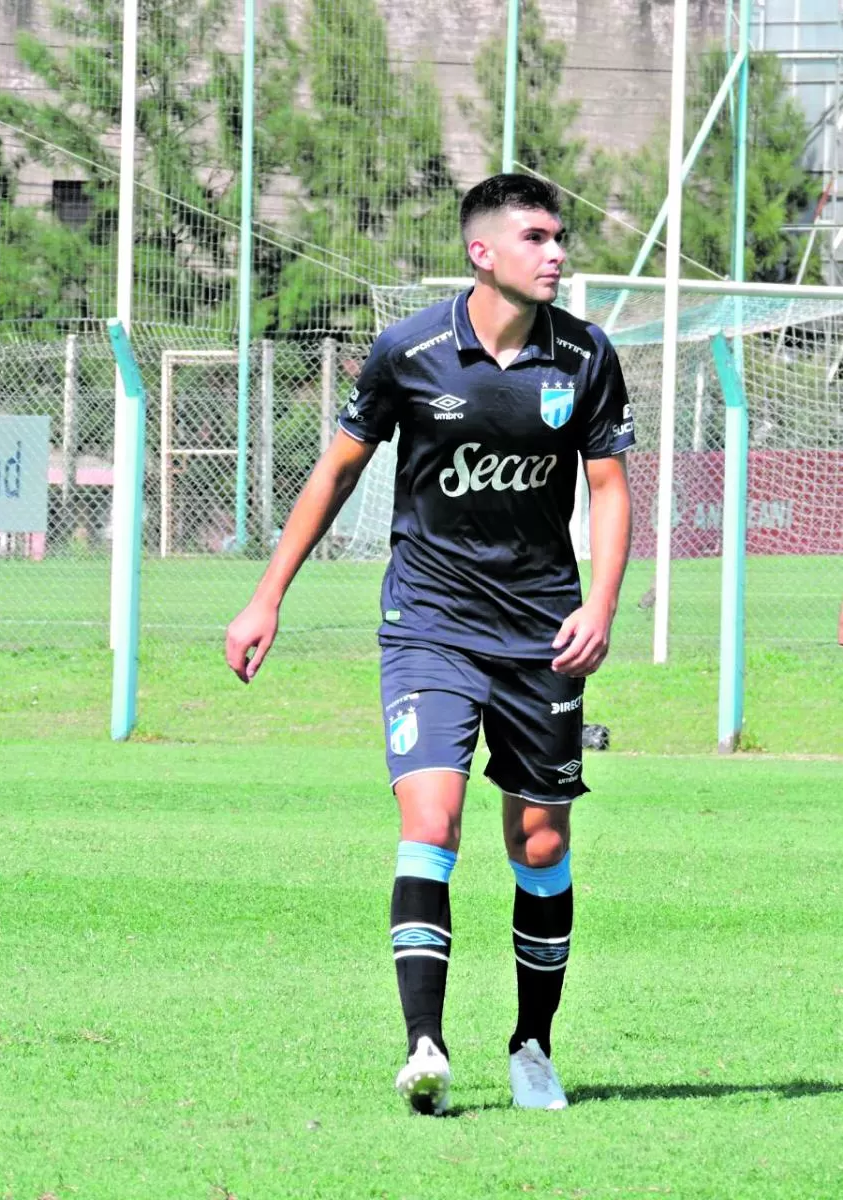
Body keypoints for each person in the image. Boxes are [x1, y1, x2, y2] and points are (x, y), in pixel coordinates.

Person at [225, 173, 634, 1115]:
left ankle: (532, 1046)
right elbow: (334, 473)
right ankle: (424, 1045)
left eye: (559, 235)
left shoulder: (583, 355)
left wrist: (602, 606)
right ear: (482, 252)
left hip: (542, 630)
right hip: (429, 624)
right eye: (536, 236)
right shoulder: (408, 351)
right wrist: (266, 597)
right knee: (430, 824)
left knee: (538, 841)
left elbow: (607, 489)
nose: (556, 251)